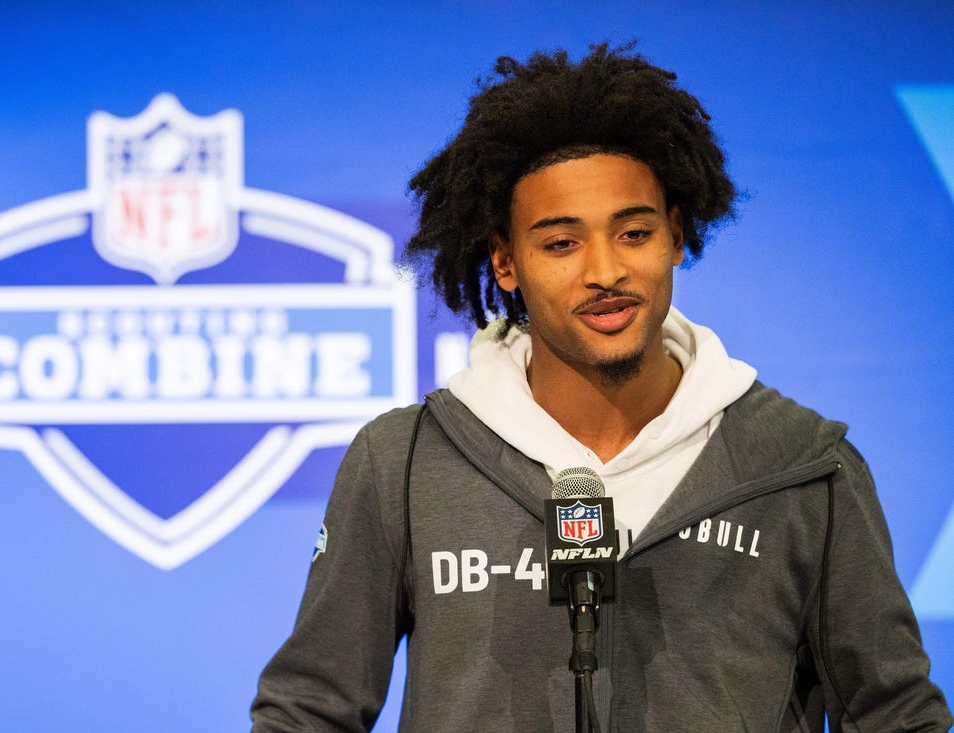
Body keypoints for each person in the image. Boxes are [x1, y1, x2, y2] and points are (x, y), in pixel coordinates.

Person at [250, 43, 952, 732]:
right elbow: (310, 709)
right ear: (505, 262)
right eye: (561, 243)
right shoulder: (403, 461)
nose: (605, 270)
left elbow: (894, 712)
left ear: (676, 236)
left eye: (635, 232)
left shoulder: (804, 466)